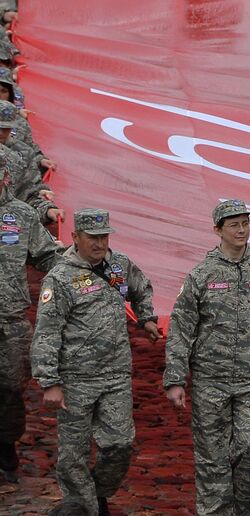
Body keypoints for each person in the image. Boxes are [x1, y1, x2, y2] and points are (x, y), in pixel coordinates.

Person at [165, 199, 250, 516]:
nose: (241, 230)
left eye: (245, 223)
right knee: (212, 456)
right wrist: (174, 379)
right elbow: (181, 329)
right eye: (234, 225)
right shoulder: (202, 275)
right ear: (218, 230)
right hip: (210, 381)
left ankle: (244, 510)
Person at [31, 209, 160, 516]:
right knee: (73, 455)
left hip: (115, 375)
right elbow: (47, 333)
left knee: (120, 444)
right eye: (93, 238)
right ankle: (86, 508)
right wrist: (49, 382)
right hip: (76, 379)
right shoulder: (60, 279)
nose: (100, 243)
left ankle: (97, 491)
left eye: (104, 237)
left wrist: (147, 318)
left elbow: (140, 288)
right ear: (76, 238)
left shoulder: (118, 265)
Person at [0, 128, 62, 485]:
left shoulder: (21, 215)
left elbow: (46, 256)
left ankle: (5, 444)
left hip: (9, 320)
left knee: (10, 386)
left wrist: (81, 267)